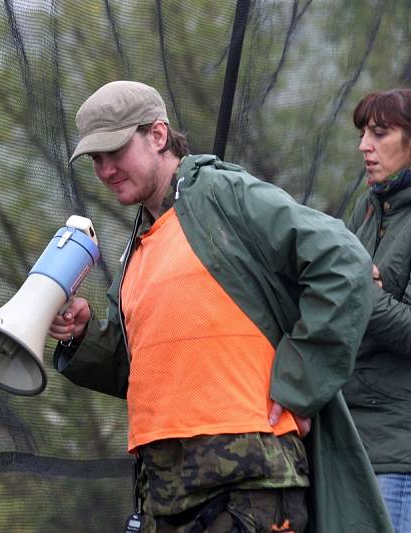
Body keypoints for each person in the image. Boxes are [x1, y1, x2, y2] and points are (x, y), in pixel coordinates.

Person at [49, 80, 385, 532]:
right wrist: (85, 335)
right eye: (96, 159)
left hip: (248, 486)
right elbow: (140, 370)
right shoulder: (138, 248)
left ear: (158, 135)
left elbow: (344, 261)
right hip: (164, 495)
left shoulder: (223, 195)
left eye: (115, 151)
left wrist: (302, 381)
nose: (106, 169)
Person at [343, 88, 411, 533]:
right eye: (363, 133)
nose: (365, 144)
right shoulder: (369, 209)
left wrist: (360, 289)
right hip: (349, 434)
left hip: (399, 446)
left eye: (380, 133)